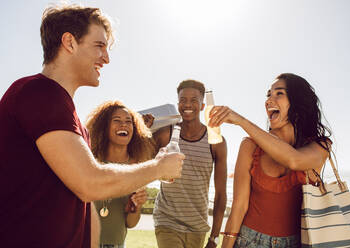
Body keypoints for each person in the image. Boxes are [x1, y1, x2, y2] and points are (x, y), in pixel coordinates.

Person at [0, 4, 183, 247]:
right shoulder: (38, 92)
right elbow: (90, 183)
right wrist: (159, 168)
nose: (106, 58)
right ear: (70, 42)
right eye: (99, 46)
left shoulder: (72, 120)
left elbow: (85, 205)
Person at [208, 73, 332, 248]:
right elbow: (239, 207)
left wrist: (241, 121)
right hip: (248, 241)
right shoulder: (250, 146)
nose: (268, 100)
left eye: (278, 93)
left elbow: (294, 161)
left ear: (297, 101)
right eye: (268, 95)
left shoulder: (320, 146)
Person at [152, 80, 228, 248]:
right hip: (167, 221)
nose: (187, 104)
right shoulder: (165, 134)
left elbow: (221, 194)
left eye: (194, 100)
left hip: (198, 227)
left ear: (202, 105)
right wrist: (143, 128)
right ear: (177, 103)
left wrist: (214, 237)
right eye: (182, 99)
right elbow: (139, 159)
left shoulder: (216, 141)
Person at [86, 100, 155, 248]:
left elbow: (130, 223)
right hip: (85, 241)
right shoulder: (91, 161)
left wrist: (136, 206)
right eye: (117, 120)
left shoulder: (137, 167)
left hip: (117, 244)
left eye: (128, 121)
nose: (123, 125)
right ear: (104, 127)